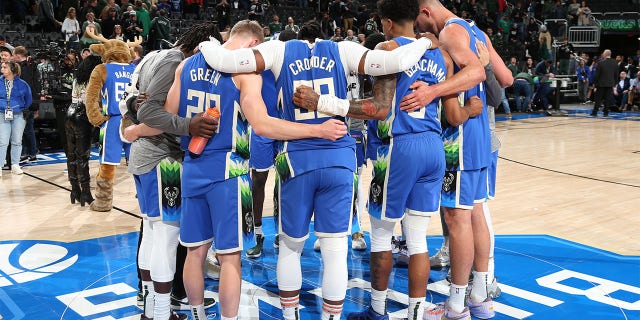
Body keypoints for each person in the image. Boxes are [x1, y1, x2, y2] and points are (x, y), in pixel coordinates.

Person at [199, 19, 432, 320]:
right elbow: (397, 59)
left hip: (297, 159)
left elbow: (223, 60)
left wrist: (206, 43)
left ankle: (290, 315)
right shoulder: (344, 49)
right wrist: (426, 42)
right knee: (335, 250)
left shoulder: (278, 50)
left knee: (291, 247)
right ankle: (331, 317)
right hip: (338, 157)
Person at [291, 2, 481, 319]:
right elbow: (453, 115)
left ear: (388, 22)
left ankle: (376, 311)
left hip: (398, 149)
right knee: (418, 238)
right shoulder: (441, 55)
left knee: (381, 234)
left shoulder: (388, 48)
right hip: (434, 148)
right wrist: (472, 110)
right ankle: (415, 314)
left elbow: (378, 109)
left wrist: (322, 102)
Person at [171, 20, 349, 320]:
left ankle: (198, 315)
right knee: (229, 259)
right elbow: (263, 125)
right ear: (254, 46)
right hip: (229, 172)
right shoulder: (244, 72)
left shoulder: (186, 65)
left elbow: (170, 115)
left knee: (194, 253)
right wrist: (317, 131)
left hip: (192, 167)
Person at [407, 1, 513, 319]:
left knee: (457, 220)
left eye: (416, 21)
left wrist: (433, 91)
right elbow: (504, 77)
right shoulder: (474, 29)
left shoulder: (451, 33)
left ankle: (455, 306)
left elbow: (478, 71)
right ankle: (479, 296)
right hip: (480, 137)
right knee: (476, 213)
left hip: (461, 139)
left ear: (426, 11)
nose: (416, 28)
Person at [122, 23, 222, 320]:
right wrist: (189, 126)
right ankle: (162, 313)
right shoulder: (176, 61)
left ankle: (152, 311)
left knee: (152, 234)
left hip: (145, 156)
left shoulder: (154, 55)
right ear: (200, 46)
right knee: (164, 238)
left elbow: (131, 101)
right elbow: (150, 113)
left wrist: (134, 119)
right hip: (161, 159)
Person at [64, 54, 101, 206]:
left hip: (69, 113)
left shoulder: (76, 77)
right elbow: (94, 101)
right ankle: (85, 191)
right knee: (82, 156)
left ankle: (74, 190)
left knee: (71, 155)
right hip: (83, 116)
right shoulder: (93, 79)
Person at [0, 61, 32, 177]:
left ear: (12, 70)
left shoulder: (23, 84)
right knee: (3, 141)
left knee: (17, 141)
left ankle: (15, 164)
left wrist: (21, 108)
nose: (2, 69)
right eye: (2, 67)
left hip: (18, 114)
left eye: (5, 67)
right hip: (2, 113)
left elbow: (28, 99)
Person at [13, 47, 39, 165]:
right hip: (26, 102)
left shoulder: (27, 68)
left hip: (25, 103)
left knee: (27, 129)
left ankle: (31, 153)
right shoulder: (29, 66)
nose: (13, 58)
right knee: (25, 129)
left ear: (18, 55)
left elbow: (30, 87)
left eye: (13, 55)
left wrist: (33, 105)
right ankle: (28, 153)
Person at [591, 49, 618, 117]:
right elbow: (616, 74)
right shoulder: (615, 63)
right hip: (610, 84)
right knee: (607, 99)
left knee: (598, 99)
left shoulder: (600, 63)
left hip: (601, 84)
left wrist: (594, 83)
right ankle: (606, 113)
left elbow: (597, 75)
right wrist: (614, 84)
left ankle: (595, 112)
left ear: (605, 54)